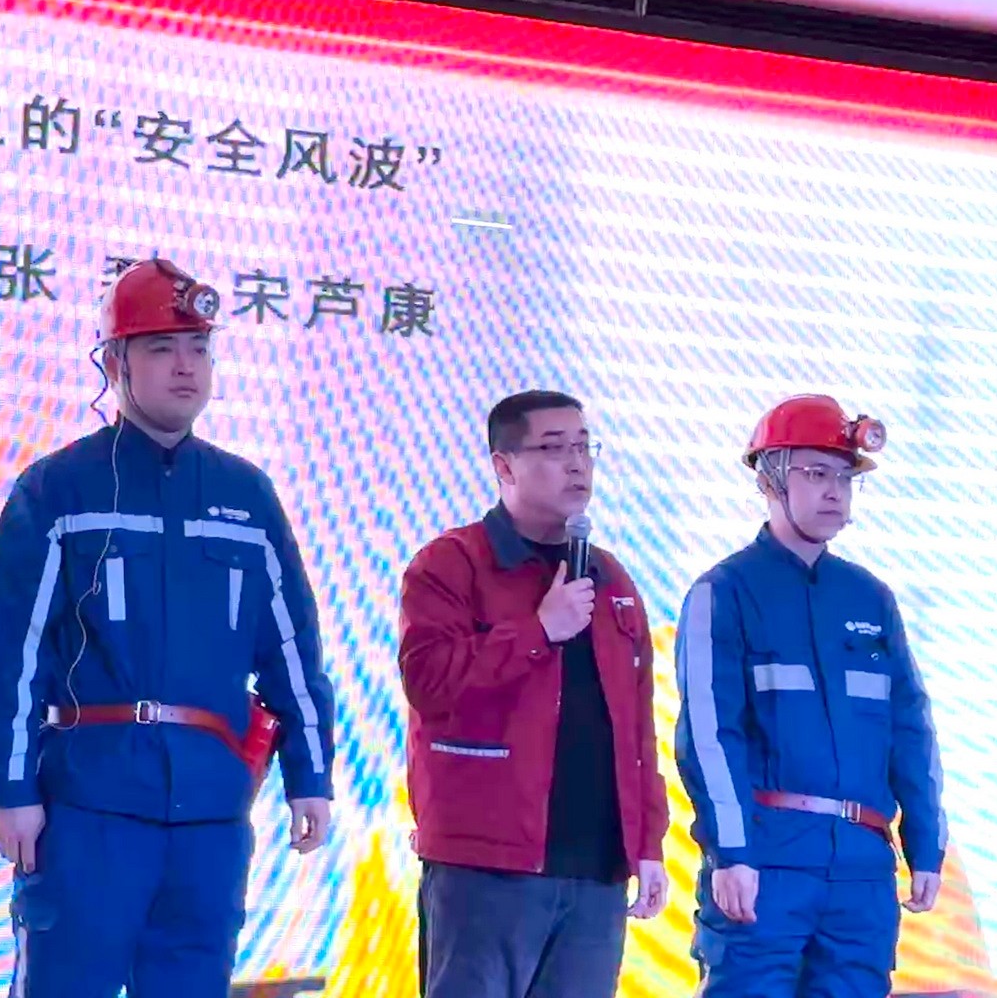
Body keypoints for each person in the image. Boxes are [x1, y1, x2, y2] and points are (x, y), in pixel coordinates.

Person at [0, 258, 336, 998]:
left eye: (200, 348)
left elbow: (293, 652)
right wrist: (11, 789)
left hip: (211, 818)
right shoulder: (59, 490)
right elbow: (9, 656)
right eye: (162, 348)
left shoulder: (246, 496)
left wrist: (311, 776)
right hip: (89, 810)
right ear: (114, 363)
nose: (186, 367)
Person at [397, 389, 669, 998]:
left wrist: (647, 843)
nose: (576, 464)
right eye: (553, 448)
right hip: (486, 864)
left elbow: (636, 731)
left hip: (597, 871)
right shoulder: (451, 564)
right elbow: (429, 682)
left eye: (584, 448)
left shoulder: (611, 579)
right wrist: (538, 631)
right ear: (504, 466)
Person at [675, 393, 947, 998]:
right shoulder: (724, 592)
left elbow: (910, 728)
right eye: (816, 474)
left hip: (861, 872)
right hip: (767, 864)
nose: (834, 492)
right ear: (769, 479)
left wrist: (926, 845)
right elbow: (710, 737)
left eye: (845, 478)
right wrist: (732, 852)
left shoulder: (870, 598)